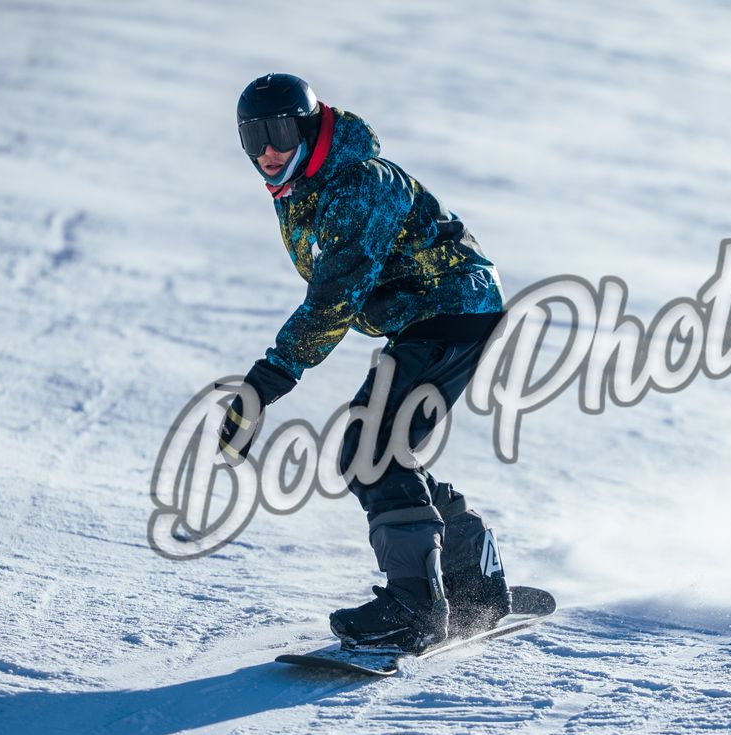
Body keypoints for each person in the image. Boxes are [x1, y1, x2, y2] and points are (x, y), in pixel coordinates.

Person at [217, 73, 512, 653]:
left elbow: (334, 297)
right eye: (253, 137)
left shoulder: (356, 182)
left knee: (371, 449)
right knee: (380, 449)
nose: (268, 150)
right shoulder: (303, 186)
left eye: (280, 131)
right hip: (435, 314)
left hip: (452, 308)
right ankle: (473, 574)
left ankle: (415, 606)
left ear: (307, 127)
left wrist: (269, 379)